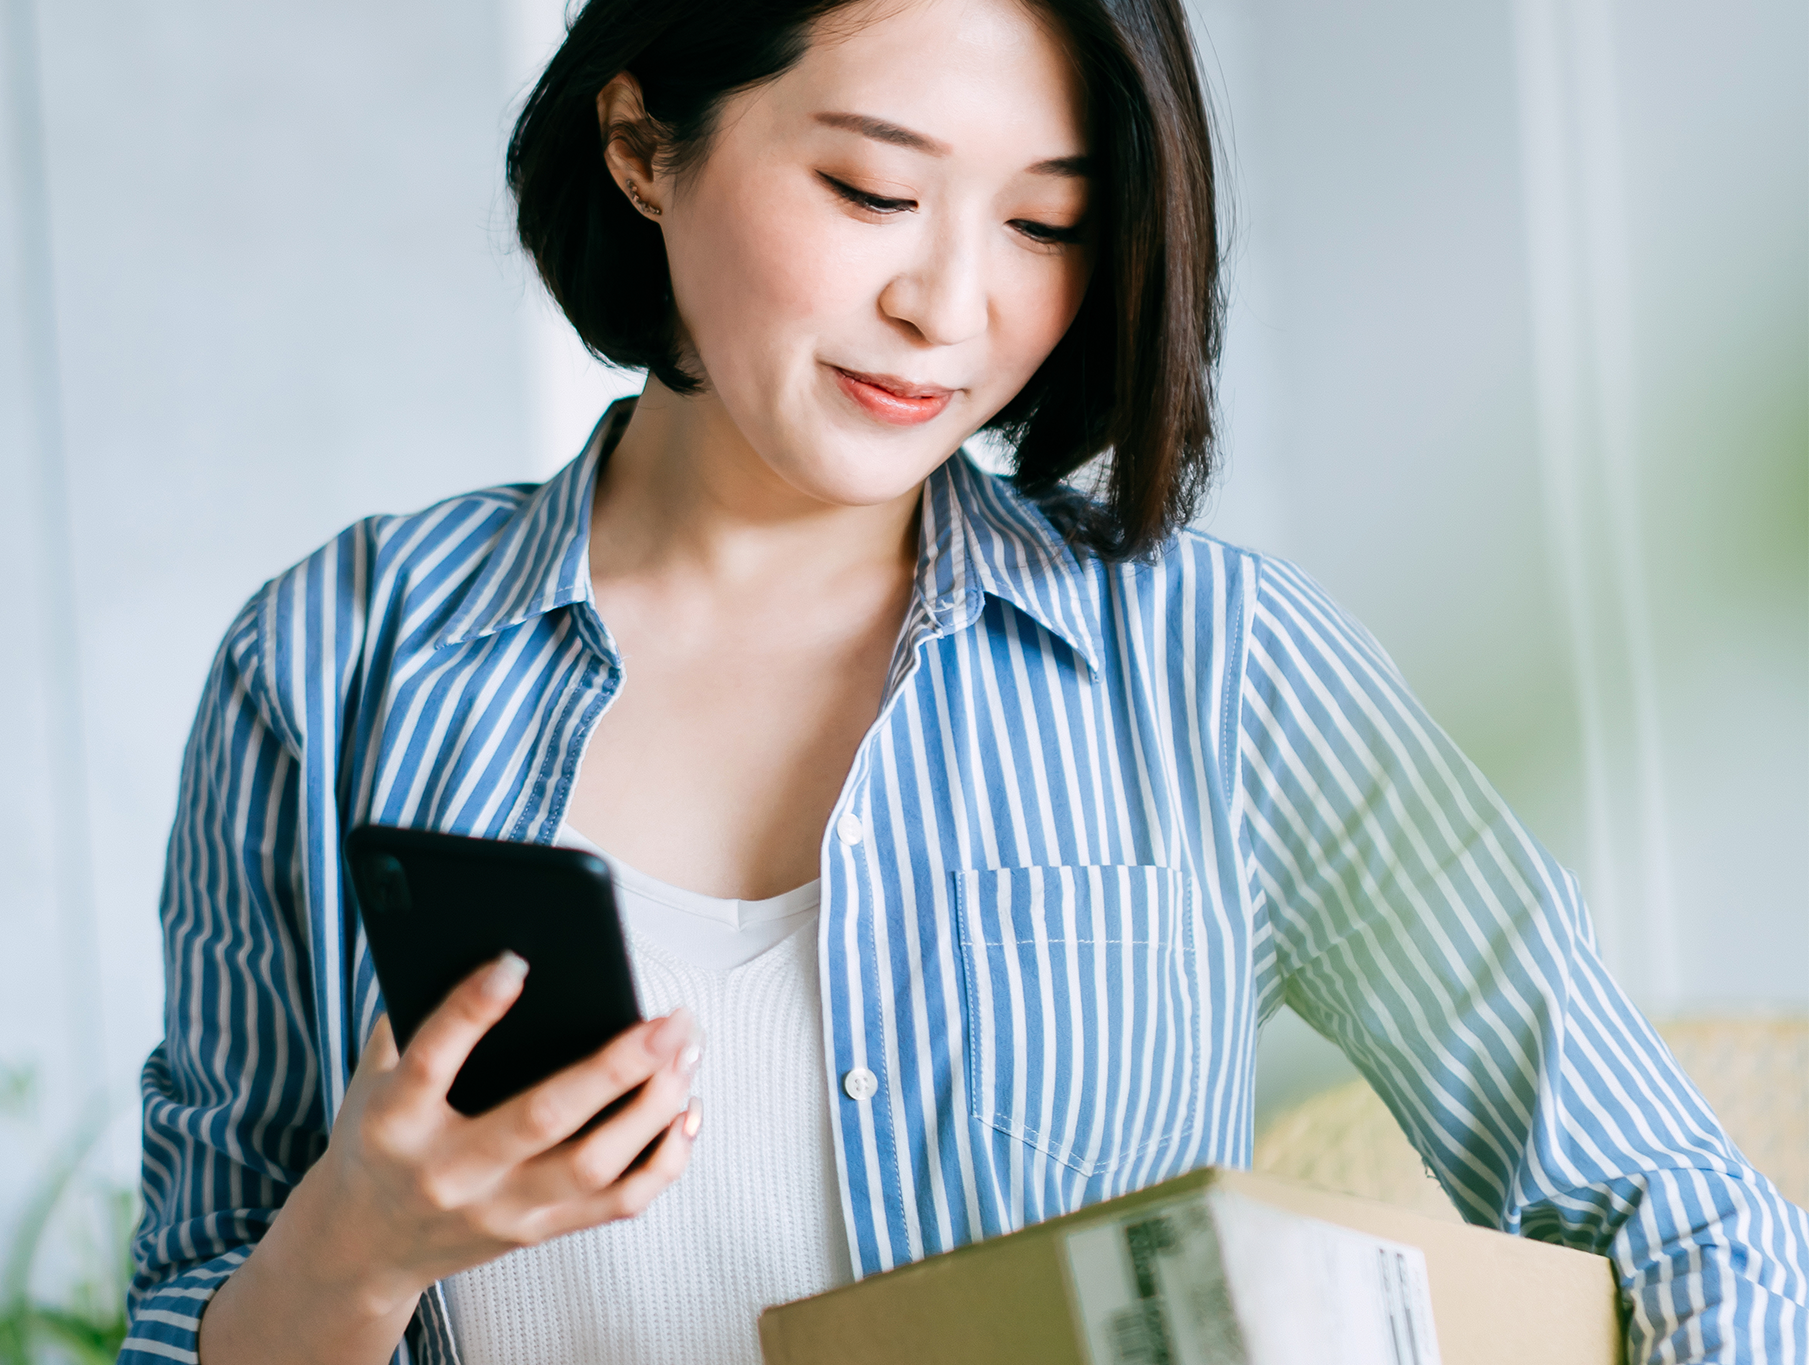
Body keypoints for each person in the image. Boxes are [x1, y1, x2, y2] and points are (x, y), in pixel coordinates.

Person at [118, 0, 1809, 1361]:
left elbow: (1681, 1215)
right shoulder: (337, 655)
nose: (951, 305)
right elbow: (198, 1302)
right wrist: (358, 1248)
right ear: (643, 141)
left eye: (1047, 220)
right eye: (869, 192)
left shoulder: (1210, 666)